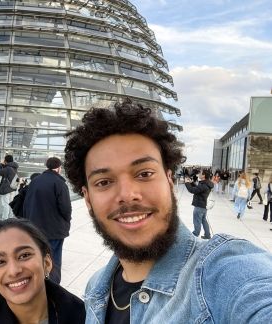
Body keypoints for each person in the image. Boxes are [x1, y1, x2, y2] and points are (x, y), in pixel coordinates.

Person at [63, 98, 272, 323]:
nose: (127, 194)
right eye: (104, 182)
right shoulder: (96, 289)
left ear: (170, 180)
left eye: (144, 174)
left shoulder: (220, 272)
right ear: (87, 198)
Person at [0, 218, 85, 324]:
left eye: (24, 255)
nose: (14, 271)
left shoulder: (88, 317)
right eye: (0, 262)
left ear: (47, 263)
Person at [23, 157, 71, 284]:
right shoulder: (60, 183)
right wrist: (67, 220)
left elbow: (27, 203)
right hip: (54, 230)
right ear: (59, 168)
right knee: (54, 257)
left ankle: (37, 281)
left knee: (37, 255)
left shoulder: (35, 181)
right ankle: (53, 285)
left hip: (35, 228)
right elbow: (66, 208)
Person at [184, 169, 214, 239]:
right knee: (204, 220)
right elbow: (197, 189)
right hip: (203, 206)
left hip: (199, 206)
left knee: (197, 221)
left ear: (203, 175)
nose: (199, 174)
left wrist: (186, 183)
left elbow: (192, 190)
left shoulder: (204, 184)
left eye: (200, 173)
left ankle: (195, 235)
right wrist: (191, 183)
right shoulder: (206, 183)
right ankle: (207, 235)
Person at [0, 154, 19, 220]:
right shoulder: (14, 167)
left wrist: (0, 164)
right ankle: (10, 217)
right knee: (11, 204)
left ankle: (4, 219)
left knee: (5, 204)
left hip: (7, 188)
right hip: (13, 188)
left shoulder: (8, 168)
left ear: (6, 160)